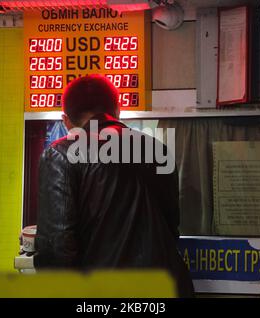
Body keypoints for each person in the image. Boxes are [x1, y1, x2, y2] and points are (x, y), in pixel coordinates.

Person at [33, 74, 194, 297]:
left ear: (66, 121)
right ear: (117, 111)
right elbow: (170, 226)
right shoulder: (158, 150)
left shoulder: (61, 155)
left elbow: (56, 248)